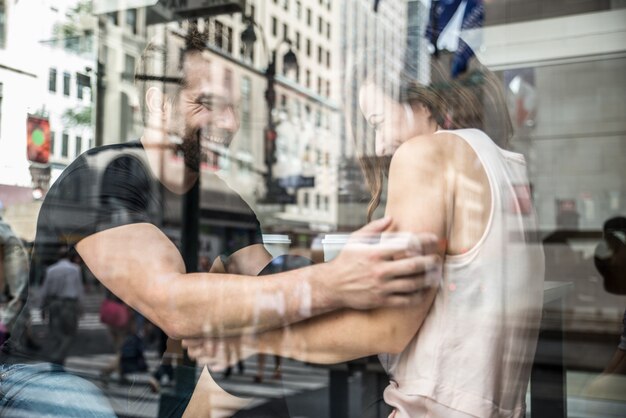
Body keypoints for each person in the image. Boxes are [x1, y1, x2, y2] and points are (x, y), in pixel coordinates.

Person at [0, 28, 438, 417]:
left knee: (257, 390)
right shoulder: (105, 176)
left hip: (145, 382)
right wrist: (333, 282)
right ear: (158, 101)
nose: (228, 124)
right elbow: (171, 303)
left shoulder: (221, 200)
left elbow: (272, 284)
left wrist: (361, 274)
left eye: (233, 108)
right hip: (43, 373)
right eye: (207, 104)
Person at [187, 51, 545, 417]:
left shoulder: (426, 155)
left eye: (377, 122)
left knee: (231, 370)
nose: (378, 147)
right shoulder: (503, 164)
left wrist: (248, 340)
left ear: (421, 103)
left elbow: (389, 326)